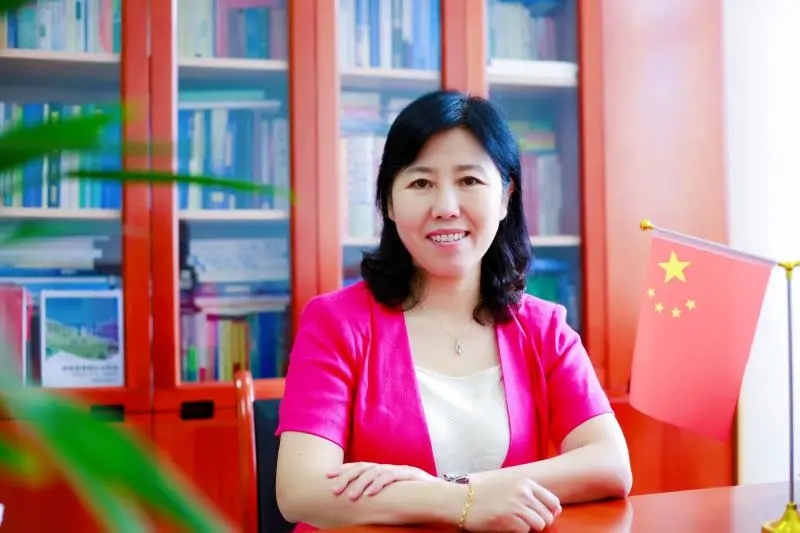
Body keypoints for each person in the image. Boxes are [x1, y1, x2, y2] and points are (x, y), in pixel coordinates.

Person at [275, 90, 632, 533]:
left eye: (469, 181)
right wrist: (460, 504)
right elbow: (300, 491)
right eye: (421, 183)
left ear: (505, 198)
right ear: (389, 202)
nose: (445, 207)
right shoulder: (336, 323)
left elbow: (610, 464)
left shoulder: (543, 328)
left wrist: (463, 488)